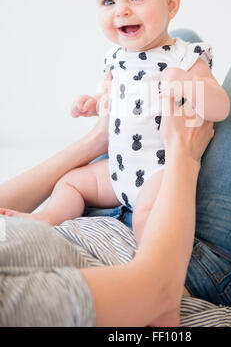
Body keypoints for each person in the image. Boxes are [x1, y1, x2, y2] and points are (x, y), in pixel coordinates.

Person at [0, 0, 230, 252]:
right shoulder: (115, 58)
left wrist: (189, 87)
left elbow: (222, 107)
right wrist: (94, 105)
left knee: (146, 217)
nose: (122, 10)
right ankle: (50, 217)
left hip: (158, 173)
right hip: (116, 170)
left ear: (171, 4)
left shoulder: (185, 57)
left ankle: (155, 262)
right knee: (69, 182)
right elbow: (114, 102)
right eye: (108, 2)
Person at [0, 86, 215, 327]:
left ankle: (50, 215)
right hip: (166, 245)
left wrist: (98, 126)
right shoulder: (18, 307)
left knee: (160, 60)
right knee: (143, 214)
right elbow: (157, 289)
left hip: (99, 196)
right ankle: (145, 246)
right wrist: (183, 153)